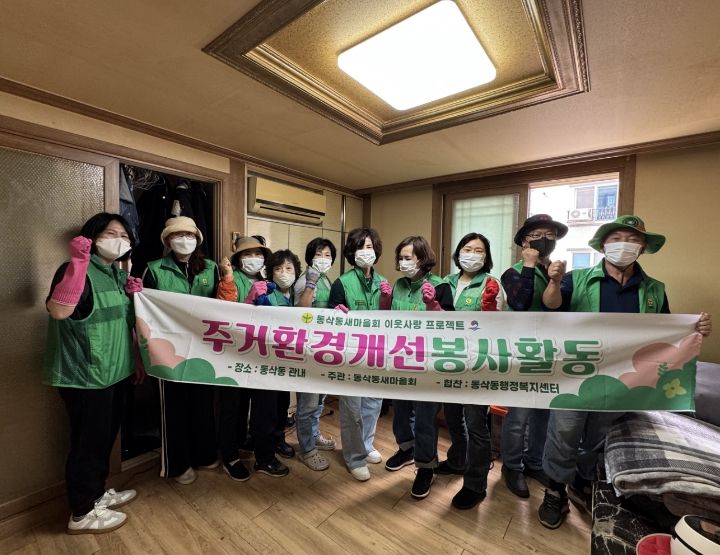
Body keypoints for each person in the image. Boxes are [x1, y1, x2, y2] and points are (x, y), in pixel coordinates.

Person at [538, 215, 713, 529]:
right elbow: (551, 306)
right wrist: (553, 282)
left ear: (643, 248)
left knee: (599, 437)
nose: (624, 245)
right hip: (575, 374)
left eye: (633, 240)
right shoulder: (577, 279)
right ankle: (554, 491)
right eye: (617, 239)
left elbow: (665, 333)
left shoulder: (654, 289)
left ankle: (582, 482)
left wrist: (694, 329)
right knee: (563, 432)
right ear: (603, 245)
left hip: (622, 380)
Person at [44, 212, 142, 534]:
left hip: (116, 372)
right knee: (87, 445)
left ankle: (96, 494)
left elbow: (123, 325)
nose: (119, 240)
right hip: (86, 376)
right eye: (111, 233)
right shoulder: (75, 270)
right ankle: (81, 512)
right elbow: (59, 311)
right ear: (92, 237)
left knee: (103, 440)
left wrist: (136, 361)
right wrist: (77, 262)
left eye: (125, 236)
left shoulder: (116, 275)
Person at [143, 216, 219, 485]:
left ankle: (204, 454)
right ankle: (178, 464)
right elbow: (143, 311)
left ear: (197, 239)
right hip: (167, 351)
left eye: (189, 235)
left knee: (202, 404)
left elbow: (222, 305)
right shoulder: (153, 269)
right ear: (167, 240)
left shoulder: (211, 268)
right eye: (177, 235)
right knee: (173, 408)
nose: (184, 240)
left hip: (203, 349)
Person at [381, 236, 455, 501]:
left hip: (428, 363)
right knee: (400, 411)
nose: (403, 262)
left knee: (424, 416)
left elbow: (452, 326)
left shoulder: (441, 285)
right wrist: (385, 300)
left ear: (423, 259)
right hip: (400, 358)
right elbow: (384, 319)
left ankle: (426, 466)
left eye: (408, 258)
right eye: (400, 258)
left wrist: (433, 305)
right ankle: (407, 449)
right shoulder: (398, 285)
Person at [499, 214, 567, 498]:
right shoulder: (512, 272)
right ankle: (511, 466)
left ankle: (535, 462)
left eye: (550, 235)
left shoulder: (555, 271)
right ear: (524, 241)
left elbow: (559, 309)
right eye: (537, 234)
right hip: (521, 352)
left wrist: (555, 279)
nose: (544, 239)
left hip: (550, 352)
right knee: (518, 415)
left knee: (543, 413)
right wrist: (528, 265)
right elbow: (519, 302)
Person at [442, 233, 504, 509]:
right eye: (468, 249)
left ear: (486, 256)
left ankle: (475, 484)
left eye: (479, 250)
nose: (472, 254)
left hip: (477, 363)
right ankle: (457, 461)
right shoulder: (446, 281)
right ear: (458, 253)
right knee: (453, 417)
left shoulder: (492, 284)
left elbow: (501, 326)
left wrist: (491, 311)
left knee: (476, 424)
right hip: (447, 360)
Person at [327, 228, 390, 481]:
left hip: (375, 352)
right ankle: (354, 457)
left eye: (370, 247)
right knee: (352, 408)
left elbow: (390, 320)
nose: (366, 251)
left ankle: (366, 444)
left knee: (373, 404)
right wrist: (335, 313)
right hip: (350, 354)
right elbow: (330, 319)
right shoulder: (342, 283)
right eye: (361, 247)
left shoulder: (384, 282)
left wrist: (387, 300)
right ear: (352, 252)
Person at [242, 248, 307, 477]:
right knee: (265, 411)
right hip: (265, 364)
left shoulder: (295, 296)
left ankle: (278, 441)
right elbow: (245, 318)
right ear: (270, 272)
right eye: (278, 269)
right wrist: (250, 299)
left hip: (285, 363)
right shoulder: (265, 292)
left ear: (296, 272)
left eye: (289, 268)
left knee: (281, 406)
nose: (284, 273)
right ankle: (264, 458)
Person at [215, 235, 276, 481]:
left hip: (259, 355)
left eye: (258, 254)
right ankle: (229, 456)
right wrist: (249, 300)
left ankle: (243, 442)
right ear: (239, 259)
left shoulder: (266, 280)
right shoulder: (231, 279)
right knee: (231, 407)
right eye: (248, 254)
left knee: (251, 405)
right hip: (233, 355)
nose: (254, 258)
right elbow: (223, 313)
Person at [294, 238, 338, 471]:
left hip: (324, 348)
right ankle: (307, 449)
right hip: (307, 351)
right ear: (310, 256)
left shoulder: (326, 278)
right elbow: (300, 313)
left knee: (319, 400)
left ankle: (313, 436)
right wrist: (311, 285)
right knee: (308, 404)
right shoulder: (306, 280)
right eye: (319, 254)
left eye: (328, 255)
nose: (324, 258)